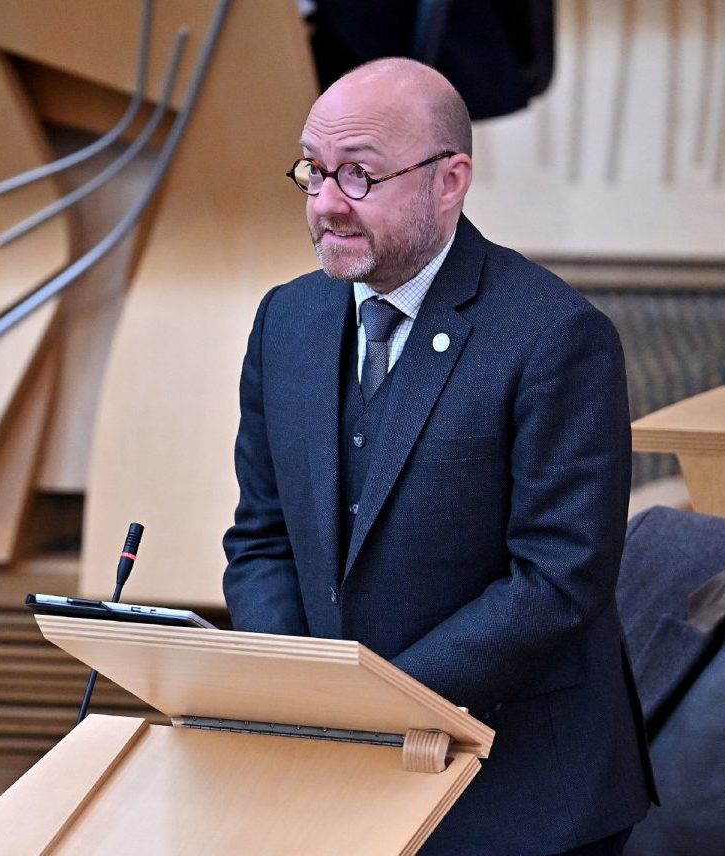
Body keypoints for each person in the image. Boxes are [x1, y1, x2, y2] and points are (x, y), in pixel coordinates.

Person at [223, 57, 653, 855]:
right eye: (313, 172)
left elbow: (557, 579)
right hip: (343, 770)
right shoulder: (286, 320)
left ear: (448, 181)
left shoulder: (556, 338)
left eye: (358, 177)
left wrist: (378, 706)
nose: (324, 206)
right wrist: (301, 694)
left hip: (521, 793)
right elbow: (262, 539)